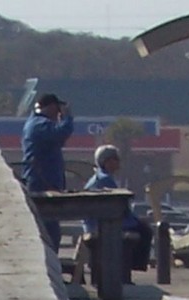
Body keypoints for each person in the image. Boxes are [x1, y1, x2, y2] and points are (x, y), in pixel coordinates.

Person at [82, 144, 152, 271]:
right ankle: (132, 267)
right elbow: (119, 206)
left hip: (97, 222)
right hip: (103, 224)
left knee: (141, 226)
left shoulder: (99, 177)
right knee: (145, 230)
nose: (118, 162)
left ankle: (130, 266)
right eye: (116, 159)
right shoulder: (105, 180)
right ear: (107, 162)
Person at [21, 92, 74, 251]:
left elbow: (59, 139)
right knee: (48, 233)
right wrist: (68, 117)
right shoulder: (39, 124)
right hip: (42, 183)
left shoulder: (36, 123)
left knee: (51, 230)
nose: (59, 112)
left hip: (45, 182)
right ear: (51, 107)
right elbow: (62, 133)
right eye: (57, 109)